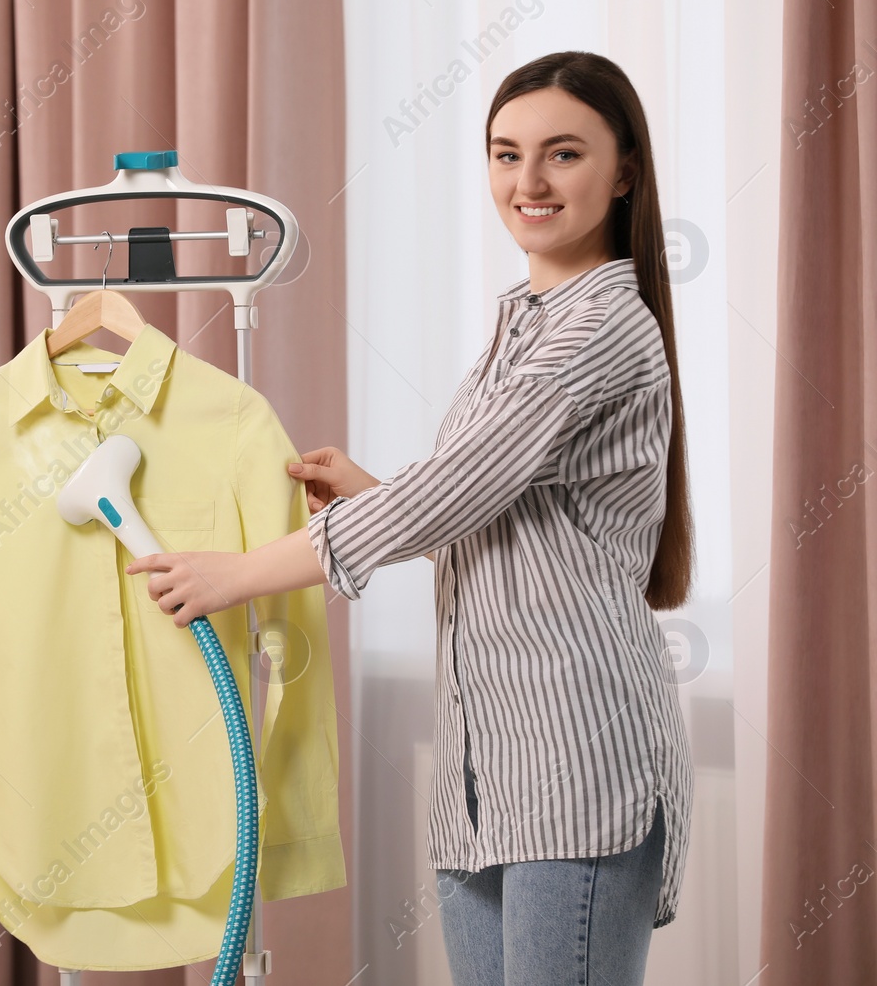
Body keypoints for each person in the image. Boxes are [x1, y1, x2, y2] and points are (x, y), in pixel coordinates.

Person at [124, 50, 695, 986]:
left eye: (563, 154)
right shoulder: (525, 321)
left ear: (624, 170)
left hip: (578, 763)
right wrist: (373, 492)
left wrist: (231, 575)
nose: (529, 182)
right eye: (506, 155)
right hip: (483, 770)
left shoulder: (603, 327)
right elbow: (496, 511)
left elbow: (455, 489)